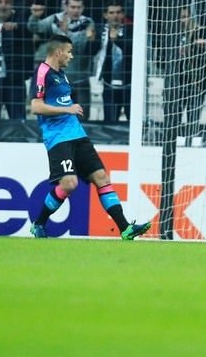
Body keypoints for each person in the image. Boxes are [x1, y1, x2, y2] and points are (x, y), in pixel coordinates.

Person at [28, 35, 151, 240]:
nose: (71, 56)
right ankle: (39, 223)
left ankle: (125, 229)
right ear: (58, 51)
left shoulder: (62, 75)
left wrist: (68, 110)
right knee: (69, 184)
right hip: (58, 138)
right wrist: (66, 109)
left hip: (78, 135)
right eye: (68, 51)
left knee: (102, 177)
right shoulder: (43, 72)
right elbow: (35, 106)